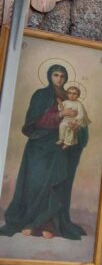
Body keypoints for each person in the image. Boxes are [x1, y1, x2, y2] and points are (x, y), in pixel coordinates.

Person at [0, 64, 89, 240]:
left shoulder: (70, 96)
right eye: (56, 75)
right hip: (39, 145)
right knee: (36, 183)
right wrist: (60, 116)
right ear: (49, 76)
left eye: (62, 76)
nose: (59, 79)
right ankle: (29, 222)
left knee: (55, 184)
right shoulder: (40, 95)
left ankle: (49, 224)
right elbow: (34, 121)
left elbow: (82, 120)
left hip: (60, 147)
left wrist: (76, 126)